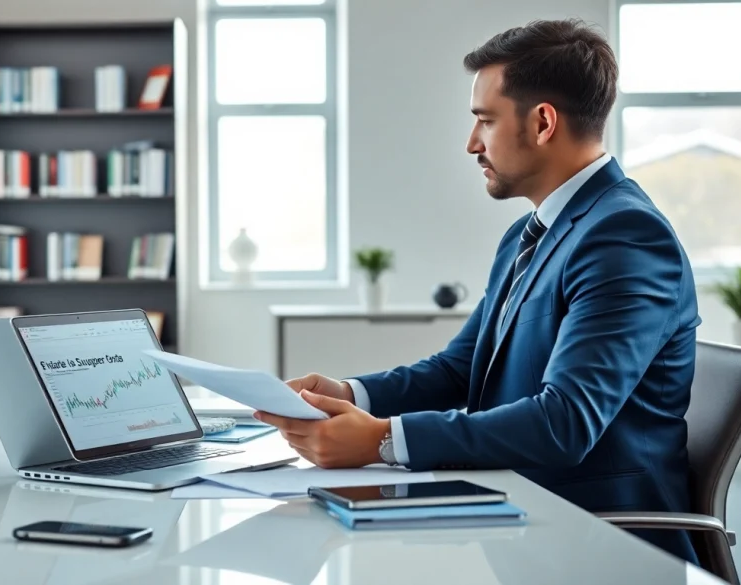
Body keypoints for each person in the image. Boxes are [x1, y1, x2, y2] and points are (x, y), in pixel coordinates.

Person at [254, 19, 700, 564]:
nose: (471, 144)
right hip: (520, 519)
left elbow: (565, 423)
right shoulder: (529, 233)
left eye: (485, 122)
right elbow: (462, 369)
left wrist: (381, 440)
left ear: (542, 123)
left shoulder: (626, 237)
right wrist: (351, 396)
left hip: (601, 545)